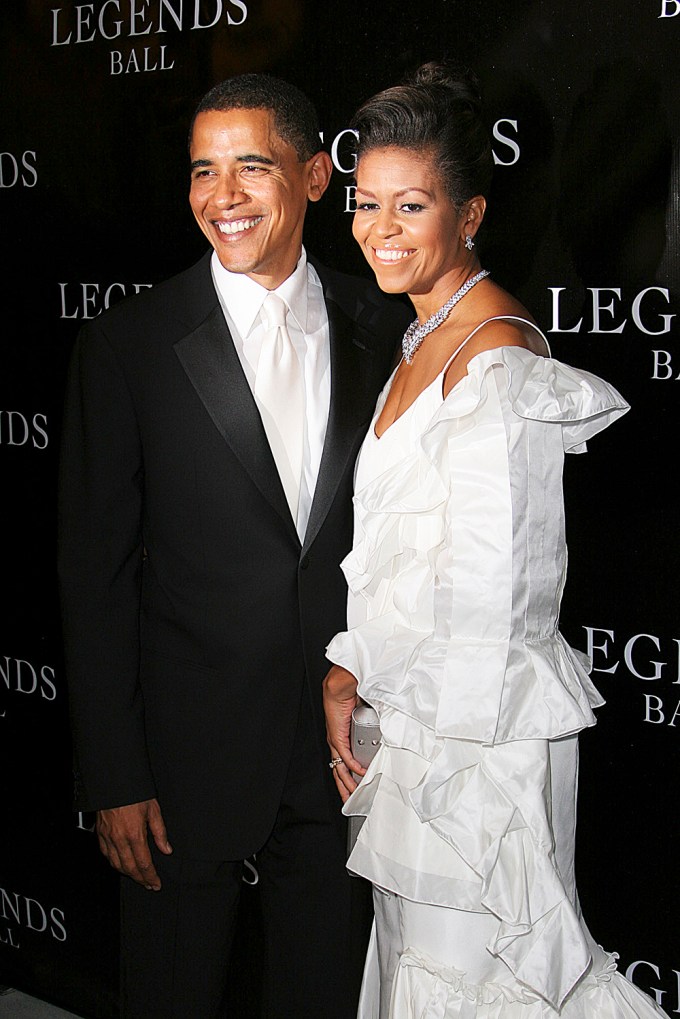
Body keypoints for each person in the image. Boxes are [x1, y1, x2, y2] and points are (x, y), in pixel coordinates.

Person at [58, 73, 410, 1019]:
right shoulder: (129, 344)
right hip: (181, 762)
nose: (224, 197)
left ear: (315, 175)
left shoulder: (384, 327)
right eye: (202, 171)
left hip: (343, 753)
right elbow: (93, 575)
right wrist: (115, 777)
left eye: (251, 167)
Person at [323, 62, 668, 1018]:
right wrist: (348, 671)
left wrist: (421, 751)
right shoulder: (424, 330)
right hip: (412, 739)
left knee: (481, 985)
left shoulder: (498, 359)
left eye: (410, 206)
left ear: (469, 215)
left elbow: (496, 605)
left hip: (473, 764)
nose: (378, 230)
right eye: (365, 204)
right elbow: (401, 556)